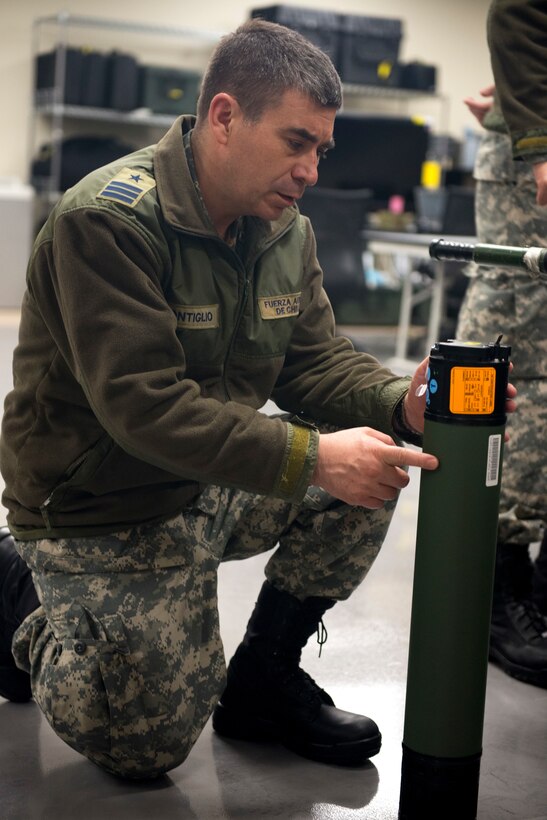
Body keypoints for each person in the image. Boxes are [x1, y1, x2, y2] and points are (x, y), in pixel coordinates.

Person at [0, 19, 512, 781]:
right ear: (225, 116)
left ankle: (264, 680)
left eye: (320, 150)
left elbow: (312, 365)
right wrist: (311, 458)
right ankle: (19, 602)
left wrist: (394, 406)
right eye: (294, 141)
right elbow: (142, 409)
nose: (309, 169)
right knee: (147, 748)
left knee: (371, 465)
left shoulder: (282, 232)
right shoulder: (106, 222)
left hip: (203, 479)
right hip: (98, 501)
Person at [458, 0, 547, 689]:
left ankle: (531, 588)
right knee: (526, 363)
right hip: (533, 167)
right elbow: (517, 11)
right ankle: (495, 585)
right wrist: (539, 137)